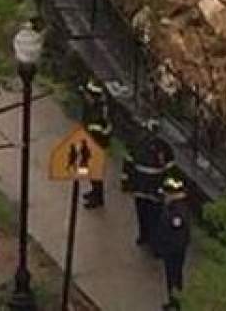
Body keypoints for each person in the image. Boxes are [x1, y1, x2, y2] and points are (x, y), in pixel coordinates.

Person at [123, 118, 175, 246]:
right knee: (143, 213)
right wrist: (126, 181)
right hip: (142, 185)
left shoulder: (163, 146)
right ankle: (144, 236)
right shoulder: (138, 142)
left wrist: (167, 187)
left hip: (153, 186)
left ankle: (153, 241)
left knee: (155, 216)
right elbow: (129, 162)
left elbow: (169, 167)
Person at [154, 172, 191, 309]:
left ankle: (176, 303)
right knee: (172, 276)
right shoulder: (174, 207)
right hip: (172, 247)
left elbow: (176, 228)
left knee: (174, 276)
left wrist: (165, 245)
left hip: (174, 249)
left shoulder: (177, 210)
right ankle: (173, 301)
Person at [81, 78, 113, 208]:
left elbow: (99, 132)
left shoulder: (97, 113)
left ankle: (98, 199)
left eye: (88, 94)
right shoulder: (94, 107)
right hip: (94, 143)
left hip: (96, 145)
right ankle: (94, 192)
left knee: (95, 172)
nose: (85, 96)